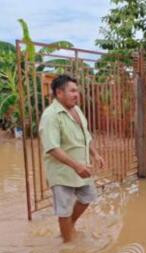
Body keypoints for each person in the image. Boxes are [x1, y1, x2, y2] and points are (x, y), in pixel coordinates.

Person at [38, 74, 105, 243]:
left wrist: (95, 154)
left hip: (82, 169)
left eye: (77, 91)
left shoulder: (76, 110)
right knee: (64, 210)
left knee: (87, 197)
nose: (76, 94)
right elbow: (52, 147)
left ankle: (69, 226)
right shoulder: (50, 116)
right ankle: (67, 245)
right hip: (62, 173)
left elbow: (85, 136)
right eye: (72, 91)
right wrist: (76, 166)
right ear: (59, 93)